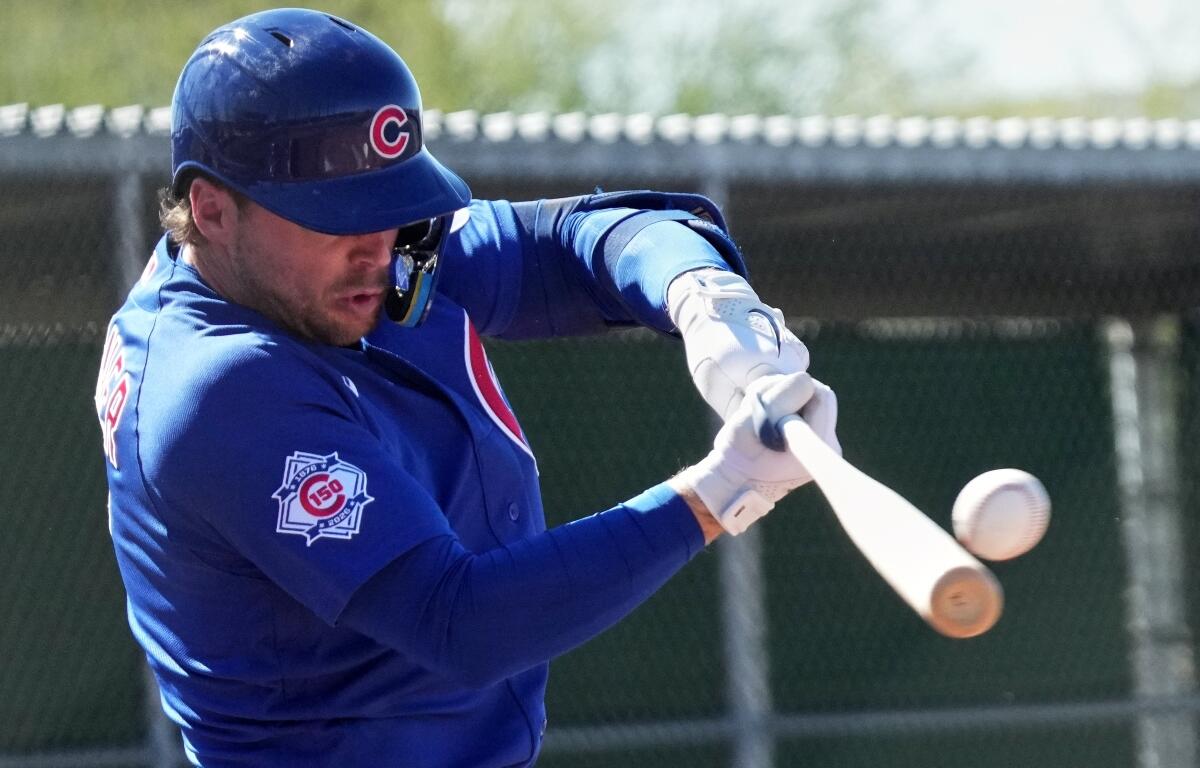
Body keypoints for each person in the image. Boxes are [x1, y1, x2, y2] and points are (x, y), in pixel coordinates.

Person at [93, 8, 839, 767]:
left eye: (389, 210)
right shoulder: (215, 386)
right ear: (214, 210)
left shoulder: (322, 269)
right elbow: (461, 622)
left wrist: (701, 293)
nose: (380, 253)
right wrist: (722, 491)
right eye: (336, 218)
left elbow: (574, 241)